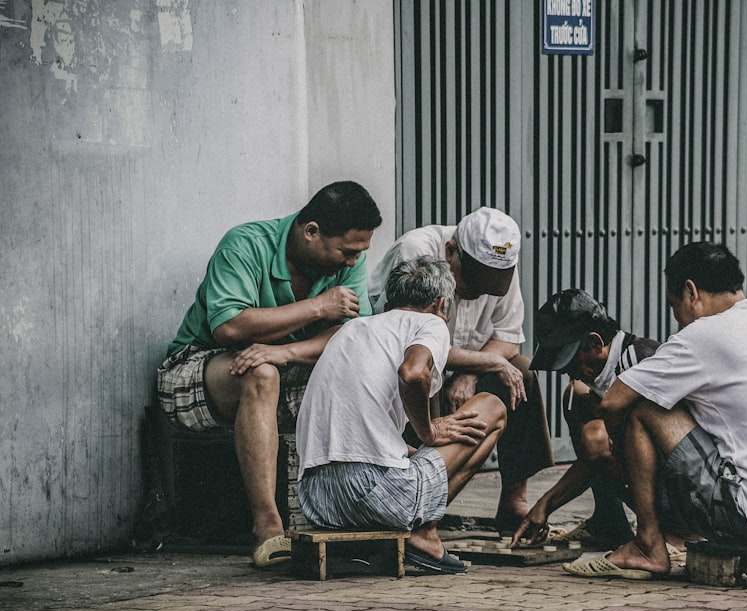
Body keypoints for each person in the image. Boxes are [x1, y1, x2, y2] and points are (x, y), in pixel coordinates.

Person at [563, 241, 747, 580]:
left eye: (673, 305)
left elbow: (614, 401)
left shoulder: (702, 335)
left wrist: (630, 469)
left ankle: (648, 545)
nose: (678, 318)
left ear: (690, 291)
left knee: (644, 407)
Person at [157, 181, 382, 568]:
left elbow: (353, 335)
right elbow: (228, 328)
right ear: (311, 231)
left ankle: (354, 513)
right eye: (346, 251)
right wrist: (317, 308)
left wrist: (286, 350)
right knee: (262, 374)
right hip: (198, 369)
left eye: (359, 253)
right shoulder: (245, 244)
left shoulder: (349, 262)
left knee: (362, 368)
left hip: (282, 363)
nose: (352, 262)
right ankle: (267, 527)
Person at [295, 256, 506, 574]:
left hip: (317, 500)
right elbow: (412, 373)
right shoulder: (430, 323)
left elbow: (363, 438)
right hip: (377, 495)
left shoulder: (353, 329)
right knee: (493, 407)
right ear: (439, 304)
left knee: (411, 455)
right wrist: (429, 433)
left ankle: (411, 530)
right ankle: (424, 535)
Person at [368, 207, 554, 532]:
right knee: (431, 381)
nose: (478, 294)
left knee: (521, 373)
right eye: (470, 284)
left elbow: (508, 339)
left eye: (489, 289)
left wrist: (470, 374)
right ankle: (420, 505)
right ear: (450, 251)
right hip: (411, 362)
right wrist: (488, 362)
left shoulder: (502, 265)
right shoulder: (416, 251)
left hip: (465, 364)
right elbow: (405, 340)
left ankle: (513, 500)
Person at [511, 289, 659, 551]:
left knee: (596, 437)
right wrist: (544, 506)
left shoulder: (642, 362)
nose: (568, 371)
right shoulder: (600, 373)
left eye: (571, 361)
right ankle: (608, 521)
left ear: (595, 343)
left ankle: (666, 534)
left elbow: (599, 451)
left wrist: (546, 503)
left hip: (683, 492)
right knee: (576, 397)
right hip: (644, 470)